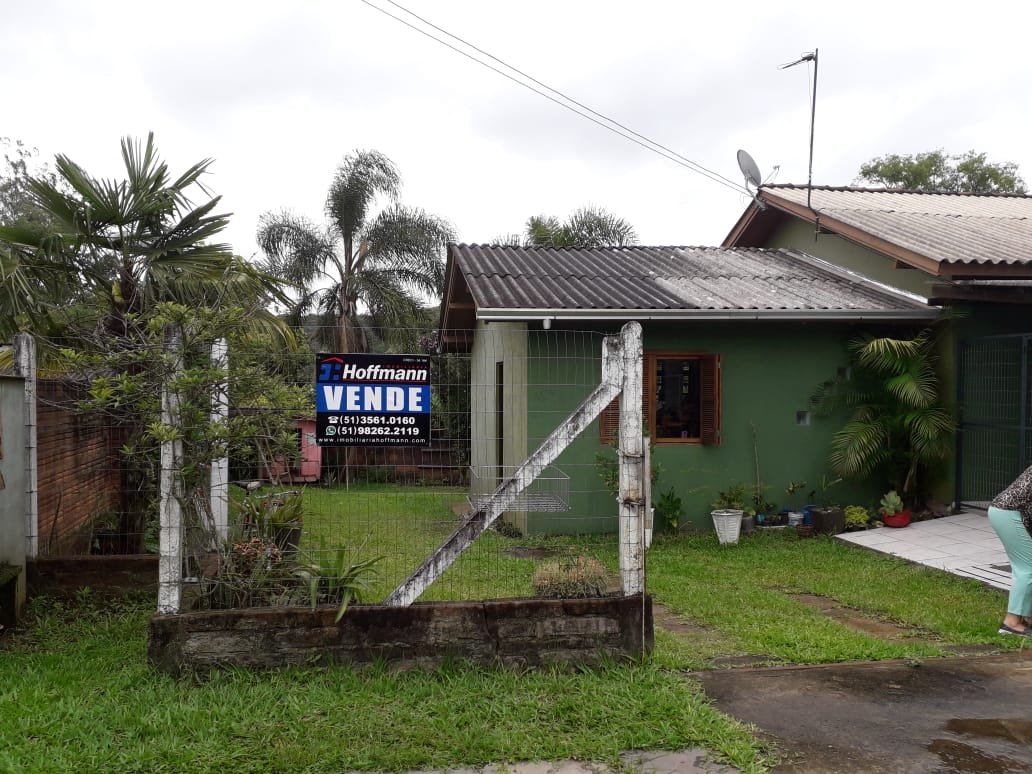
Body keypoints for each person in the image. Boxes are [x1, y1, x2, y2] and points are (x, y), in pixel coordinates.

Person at [988, 465, 1032, 636]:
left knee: (1025, 567)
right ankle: (1011, 623)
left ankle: (1027, 617)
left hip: (1008, 513)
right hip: (1009, 514)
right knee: (1027, 569)